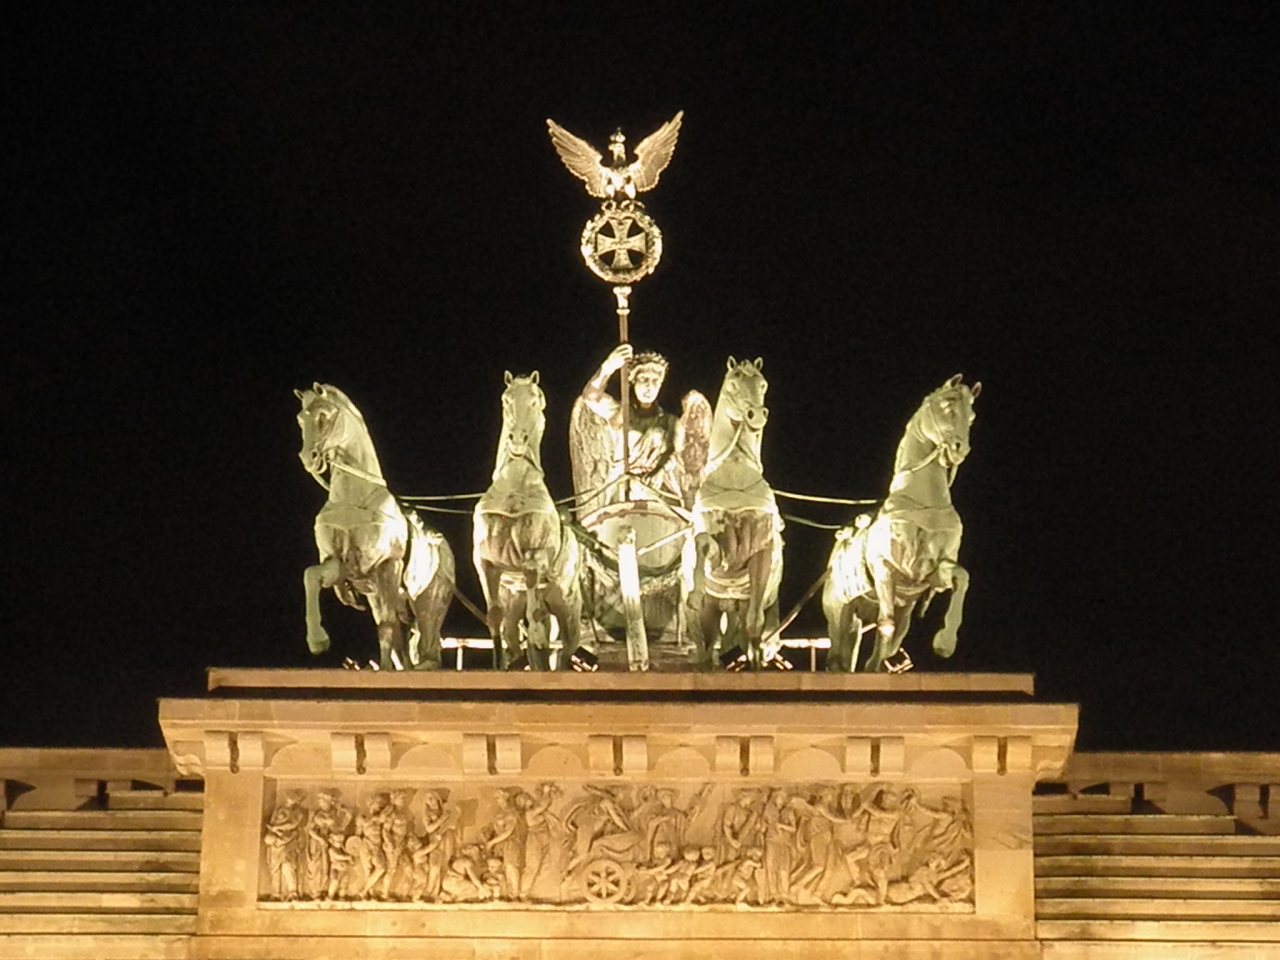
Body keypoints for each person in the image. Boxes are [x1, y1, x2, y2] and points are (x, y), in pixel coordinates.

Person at [578, 343, 681, 504]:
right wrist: (609, 366)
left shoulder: (670, 421)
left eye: (655, 381)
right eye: (644, 379)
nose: (649, 386)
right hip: (622, 489)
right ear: (633, 381)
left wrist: (661, 470)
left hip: (658, 489)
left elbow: (677, 454)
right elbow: (590, 397)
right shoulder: (620, 413)